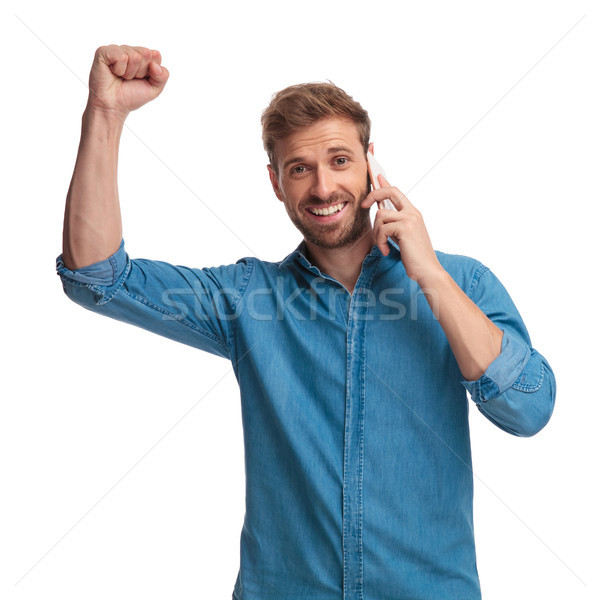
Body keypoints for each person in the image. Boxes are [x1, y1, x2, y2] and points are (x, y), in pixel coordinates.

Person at [56, 45, 556, 600]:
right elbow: (98, 279)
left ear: (371, 162)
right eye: (300, 169)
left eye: (340, 160)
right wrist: (105, 113)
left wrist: (432, 278)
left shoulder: (463, 282)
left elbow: (529, 408)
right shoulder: (247, 298)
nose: (322, 188)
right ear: (276, 182)